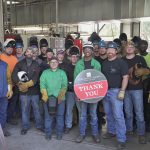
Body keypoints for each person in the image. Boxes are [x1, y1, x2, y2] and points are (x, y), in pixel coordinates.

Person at [102, 41, 128, 150]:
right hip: (105, 92)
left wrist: (122, 91)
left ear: (116, 51)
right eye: (108, 50)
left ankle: (121, 139)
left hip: (116, 91)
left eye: (112, 50)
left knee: (118, 115)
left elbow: (125, 77)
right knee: (108, 113)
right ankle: (111, 131)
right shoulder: (104, 64)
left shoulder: (121, 63)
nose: (110, 52)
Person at [74, 41, 101, 143]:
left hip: (94, 94)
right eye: (85, 49)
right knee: (83, 115)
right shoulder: (79, 64)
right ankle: (81, 134)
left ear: (92, 51)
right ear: (83, 51)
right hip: (82, 94)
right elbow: (76, 79)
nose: (87, 51)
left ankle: (95, 134)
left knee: (93, 115)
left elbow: (100, 80)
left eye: (89, 49)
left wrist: (98, 94)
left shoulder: (97, 64)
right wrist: (77, 93)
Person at [122, 41, 149, 144]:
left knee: (139, 113)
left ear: (134, 48)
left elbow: (147, 71)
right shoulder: (122, 60)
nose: (129, 48)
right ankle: (129, 130)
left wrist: (144, 71)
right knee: (128, 112)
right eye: (127, 46)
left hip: (138, 89)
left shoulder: (140, 58)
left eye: (131, 46)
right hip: (126, 89)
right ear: (125, 49)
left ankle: (141, 134)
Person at [12, 47, 42, 135]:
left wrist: (28, 84)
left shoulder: (36, 64)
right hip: (23, 93)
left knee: (37, 109)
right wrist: (19, 84)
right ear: (25, 54)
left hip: (34, 92)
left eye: (31, 52)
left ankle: (39, 125)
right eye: (28, 52)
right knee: (24, 110)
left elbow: (36, 77)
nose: (29, 53)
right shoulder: (19, 64)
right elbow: (14, 75)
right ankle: (25, 127)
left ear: (33, 54)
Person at [40, 56, 68, 140]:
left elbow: (64, 85)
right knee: (48, 117)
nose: (53, 64)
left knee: (59, 116)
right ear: (49, 63)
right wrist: (45, 95)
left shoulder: (62, 72)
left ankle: (59, 133)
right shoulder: (45, 72)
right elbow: (42, 84)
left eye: (55, 62)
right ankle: (48, 133)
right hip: (48, 99)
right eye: (51, 62)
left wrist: (60, 96)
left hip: (60, 99)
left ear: (58, 63)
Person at [0, 39, 18, 125]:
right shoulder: (1, 57)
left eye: (11, 48)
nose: (10, 49)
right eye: (8, 48)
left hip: (11, 86)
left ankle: (8, 120)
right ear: (4, 48)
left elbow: (16, 72)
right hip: (3, 87)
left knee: (10, 105)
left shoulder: (14, 59)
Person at [64, 46, 80, 134]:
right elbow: (65, 80)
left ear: (78, 57)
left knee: (81, 110)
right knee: (69, 109)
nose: (74, 58)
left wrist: (71, 83)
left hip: (79, 92)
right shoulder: (66, 67)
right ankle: (68, 125)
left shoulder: (81, 66)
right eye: (72, 56)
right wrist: (70, 84)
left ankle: (82, 126)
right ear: (69, 57)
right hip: (70, 92)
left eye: (76, 56)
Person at [0, 57, 13, 136]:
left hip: (3, 94)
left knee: (3, 113)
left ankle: (2, 130)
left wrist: (10, 90)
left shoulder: (4, 65)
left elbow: (8, 79)